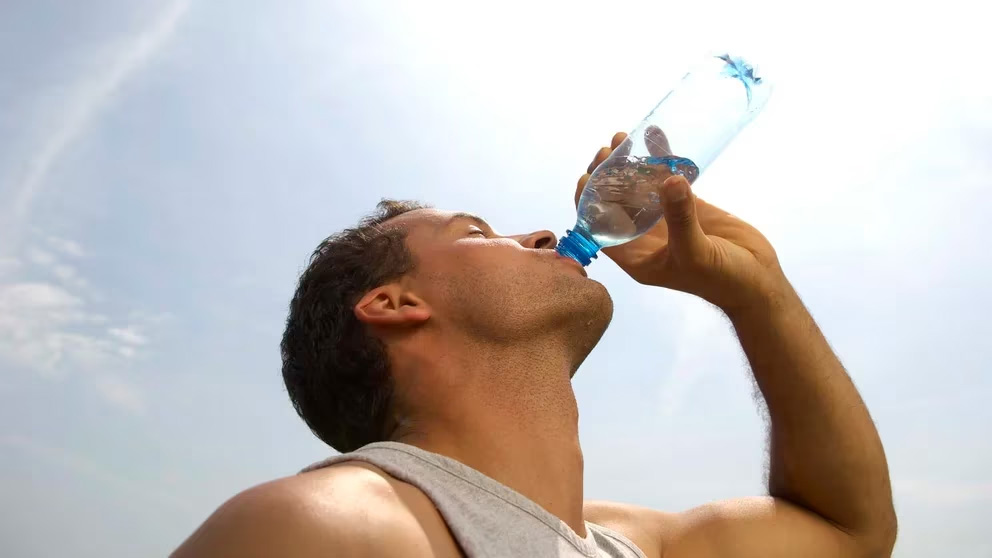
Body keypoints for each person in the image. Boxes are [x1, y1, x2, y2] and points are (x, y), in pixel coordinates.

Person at [172, 132, 897, 557]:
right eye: (478, 233)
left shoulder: (620, 542)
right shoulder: (331, 529)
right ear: (395, 304)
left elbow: (850, 533)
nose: (546, 235)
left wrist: (756, 291)